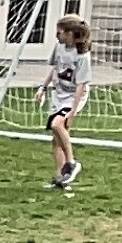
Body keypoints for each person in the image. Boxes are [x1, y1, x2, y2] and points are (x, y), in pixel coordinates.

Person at [44, 13, 91, 190]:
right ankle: (61, 178)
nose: (57, 35)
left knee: (57, 125)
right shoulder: (59, 48)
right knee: (56, 139)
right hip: (59, 94)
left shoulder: (82, 57)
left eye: (60, 32)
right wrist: (43, 88)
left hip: (74, 96)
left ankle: (71, 163)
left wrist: (72, 110)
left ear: (70, 34)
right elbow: (55, 68)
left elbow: (80, 85)